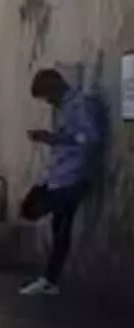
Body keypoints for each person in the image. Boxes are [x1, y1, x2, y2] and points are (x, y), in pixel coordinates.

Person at [19, 69, 106, 296]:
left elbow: (91, 138)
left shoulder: (80, 105)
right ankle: (49, 278)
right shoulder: (62, 108)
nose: (48, 101)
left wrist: (54, 138)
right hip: (57, 175)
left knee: (61, 226)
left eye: (48, 95)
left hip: (74, 175)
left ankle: (50, 280)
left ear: (55, 86)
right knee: (31, 209)